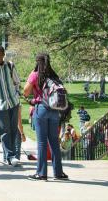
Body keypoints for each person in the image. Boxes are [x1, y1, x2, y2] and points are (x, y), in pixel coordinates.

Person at [23, 53, 68, 181]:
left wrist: (31, 77)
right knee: (54, 141)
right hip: (54, 111)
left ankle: (41, 173)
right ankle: (58, 173)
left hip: (41, 109)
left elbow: (26, 91)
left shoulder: (35, 74)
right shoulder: (53, 75)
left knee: (42, 142)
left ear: (37, 62)